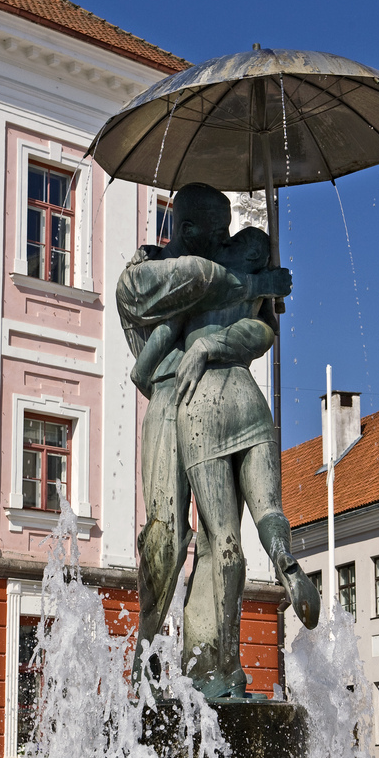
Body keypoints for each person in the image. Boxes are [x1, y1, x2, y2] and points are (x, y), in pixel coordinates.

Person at [117, 183, 291, 688]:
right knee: (167, 537)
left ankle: (205, 662)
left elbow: (260, 335)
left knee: (221, 540)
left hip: (215, 395)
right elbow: (191, 279)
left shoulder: (224, 265)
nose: (223, 241)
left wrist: (254, 311)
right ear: (188, 228)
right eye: (216, 233)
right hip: (169, 400)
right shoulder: (145, 267)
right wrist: (257, 283)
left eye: (227, 234)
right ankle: (145, 654)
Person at [140, 226, 320, 697]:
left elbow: (153, 351)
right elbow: (259, 336)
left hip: (203, 406)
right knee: (269, 511)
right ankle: (283, 557)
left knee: (221, 539)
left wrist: (164, 363)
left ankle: (225, 667)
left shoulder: (202, 284)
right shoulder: (260, 309)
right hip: (251, 400)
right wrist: (266, 293)